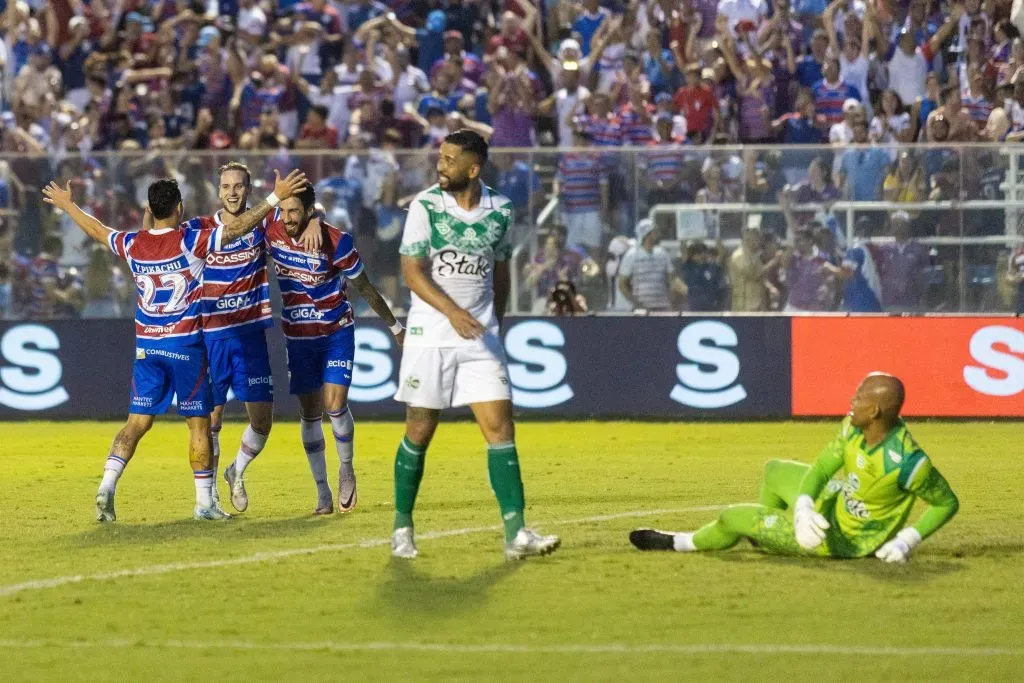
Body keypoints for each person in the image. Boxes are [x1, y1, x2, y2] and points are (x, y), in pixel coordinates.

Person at [41, 169, 308, 522]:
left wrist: (67, 205)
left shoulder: (134, 243)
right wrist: (274, 198)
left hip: (147, 350)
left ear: (149, 210)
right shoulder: (190, 241)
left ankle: (106, 485)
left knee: (135, 424)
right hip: (185, 347)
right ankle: (204, 504)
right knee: (199, 426)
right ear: (179, 208)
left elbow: (97, 230)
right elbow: (235, 230)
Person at [391, 129, 560, 561]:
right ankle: (402, 527)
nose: (440, 166)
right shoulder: (425, 206)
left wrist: (495, 324)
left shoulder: (501, 210)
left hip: (481, 336)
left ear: (473, 168)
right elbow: (412, 272)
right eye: (440, 158)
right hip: (432, 334)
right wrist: (451, 312)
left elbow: (500, 272)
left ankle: (516, 534)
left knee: (501, 427)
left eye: (449, 160)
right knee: (420, 430)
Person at [630, 374, 959, 564]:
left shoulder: (908, 462)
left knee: (732, 517)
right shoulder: (852, 428)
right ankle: (769, 536)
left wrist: (906, 540)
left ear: (873, 411)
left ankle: (682, 542)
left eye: (858, 398)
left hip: (844, 541)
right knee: (774, 470)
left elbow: (947, 502)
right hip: (836, 505)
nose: (851, 402)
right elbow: (820, 469)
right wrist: (802, 508)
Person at [266, 183, 405, 515]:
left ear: (310, 211)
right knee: (309, 413)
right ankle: (322, 492)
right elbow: (251, 218)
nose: (286, 218)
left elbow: (366, 288)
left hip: (336, 332)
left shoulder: (338, 242)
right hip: (298, 336)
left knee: (335, 403)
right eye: (283, 211)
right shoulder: (273, 229)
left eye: (295, 212)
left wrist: (395, 326)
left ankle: (346, 468)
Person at [199, 162, 320, 513]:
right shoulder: (203, 228)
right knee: (213, 419)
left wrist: (314, 220)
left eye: (239, 186)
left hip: (251, 336)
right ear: (218, 190)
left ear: (248, 190)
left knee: (262, 421)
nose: (232, 192)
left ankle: (236, 470)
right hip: (214, 337)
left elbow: (301, 210)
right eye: (226, 186)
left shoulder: (265, 222)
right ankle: (209, 497)